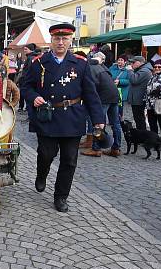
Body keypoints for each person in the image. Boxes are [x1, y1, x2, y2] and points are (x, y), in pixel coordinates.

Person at [20, 23, 105, 212]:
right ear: (51, 40)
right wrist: (34, 97)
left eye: (65, 39)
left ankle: (61, 196)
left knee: (69, 160)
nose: (60, 42)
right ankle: (41, 174)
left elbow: (90, 93)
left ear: (70, 40)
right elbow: (26, 87)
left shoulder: (80, 63)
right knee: (46, 154)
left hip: (72, 117)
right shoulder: (39, 62)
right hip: (47, 116)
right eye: (57, 39)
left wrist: (98, 119)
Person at [81, 52, 122, 157]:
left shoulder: (88, 68)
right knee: (115, 123)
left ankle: (96, 148)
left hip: (104, 97)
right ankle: (116, 148)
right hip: (114, 94)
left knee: (98, 122)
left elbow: (91, 86)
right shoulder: (100, 67)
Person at [126, 56, 152, 130]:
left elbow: (134, 80)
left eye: (133, 62)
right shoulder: (141, 69)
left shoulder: (145, 71)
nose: (131, 64)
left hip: (139, 99)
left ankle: (142, 135)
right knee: (138, 119)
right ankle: (141, 134)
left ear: (139, 62)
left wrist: (130, 70)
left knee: (139, 119)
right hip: (137, 98)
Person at [109, 55, 130, 120]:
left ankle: (119, 119)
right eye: (119, 60)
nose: (119, 61)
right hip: (112, 90)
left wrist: (120, 81)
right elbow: (108, 76)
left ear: (125, 62)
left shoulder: (128, 70)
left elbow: (129, 81)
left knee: (120, 107)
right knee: (111, 106)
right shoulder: (112, 68)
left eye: (121, 60)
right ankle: (111, 120)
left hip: (122, 91)